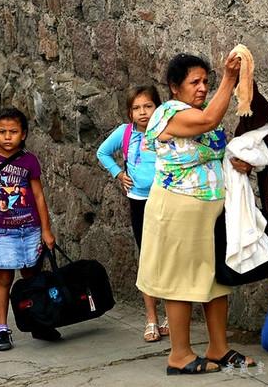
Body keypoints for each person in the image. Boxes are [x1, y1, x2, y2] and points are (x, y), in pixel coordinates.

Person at [136, 51, 254, 375]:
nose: (202, 87)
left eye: (206, 81)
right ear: (175, 87)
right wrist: (230, 79)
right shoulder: (167, 114)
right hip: (177, 210)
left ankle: (218, 347)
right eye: (195, 82)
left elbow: (211, 152)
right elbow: (207, 122)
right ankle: (179, 354)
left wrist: (236, 162)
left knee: (214, 283)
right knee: (181, 283)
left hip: (209, 213)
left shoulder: (201, 114)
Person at [0, 107, 58, 351]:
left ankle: (37, 323)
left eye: (13, 132)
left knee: (32, 279)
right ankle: (2, 329)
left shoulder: (29, 161)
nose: (7, 137)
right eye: (2, 132)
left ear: (24, 134)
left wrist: (46, 230)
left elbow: (38, 196)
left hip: (29, 229)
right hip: (2, 232)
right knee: (4, 279)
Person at [96, 85, 169, 342]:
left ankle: (172, 313)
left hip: (168, 200)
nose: (142, 113)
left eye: (148, 106)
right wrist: (118, 173)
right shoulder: (125, 133)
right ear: (129, 112)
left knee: (171, 256)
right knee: (148, 258)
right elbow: (102, 152)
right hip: (139, 201)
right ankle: (152, 318)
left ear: (158, 108)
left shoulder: (166, 130)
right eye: (136, 108)